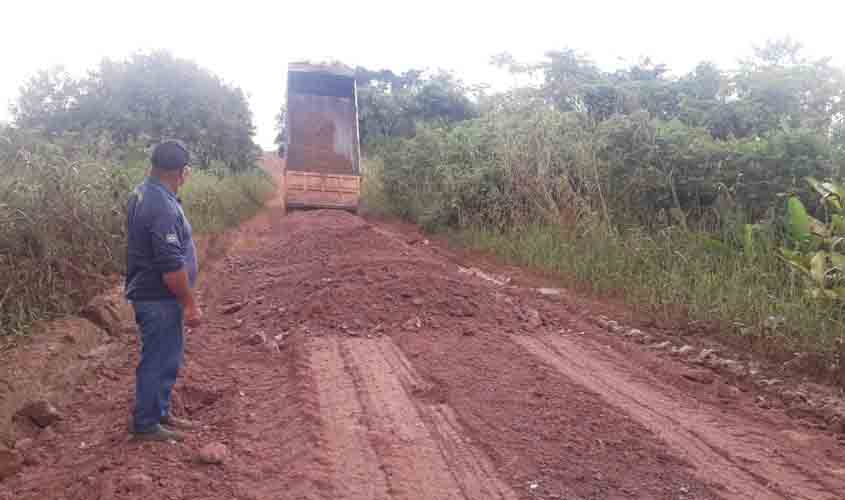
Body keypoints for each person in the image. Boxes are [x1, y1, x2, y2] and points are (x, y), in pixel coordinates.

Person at [125, 140, 203, 441]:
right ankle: (146, 424)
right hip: (158, 298)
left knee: (165, 357)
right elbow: (170, 267)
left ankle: (159, 412)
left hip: (153, 294)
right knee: (158, 359)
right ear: (181, 173)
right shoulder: (161, 206)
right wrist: (190, 304)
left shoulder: (144, 192)